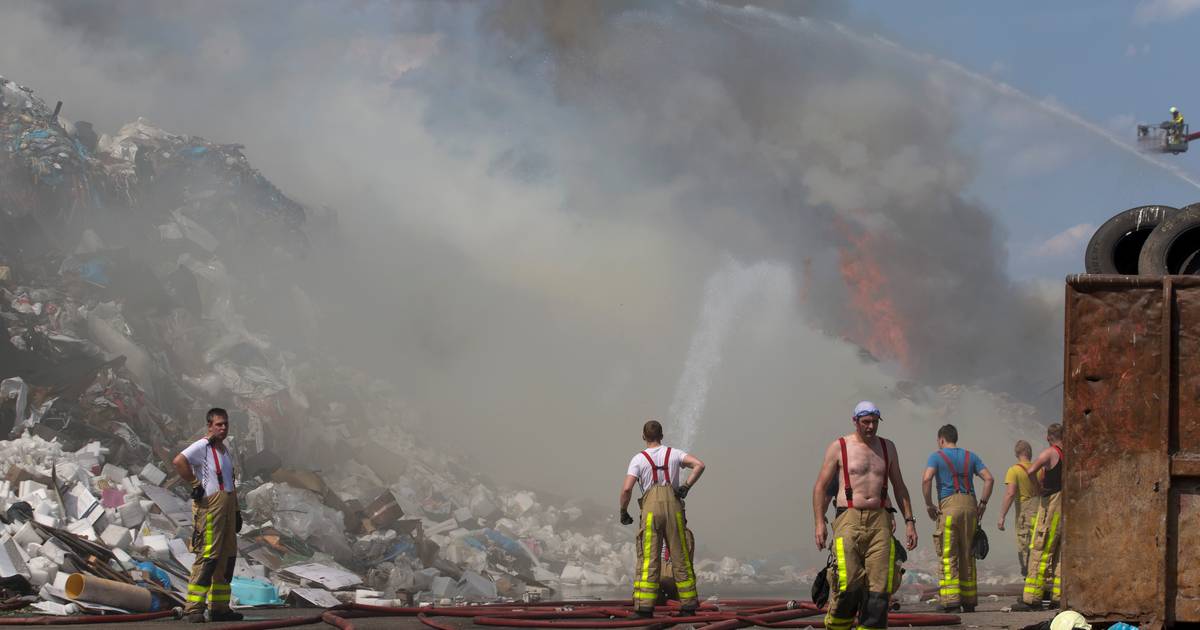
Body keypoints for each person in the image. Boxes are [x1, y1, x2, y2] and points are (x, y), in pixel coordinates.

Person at [813, 402, 918, 630]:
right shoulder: (839, 447)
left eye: (874, 422)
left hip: (880, 520)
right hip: (848, 519)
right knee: (848, 581)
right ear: (855, 421)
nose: (871, 427)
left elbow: (899, 487)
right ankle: (837, 626)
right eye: (865, 422)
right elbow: (820, 487)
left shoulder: (887, 447)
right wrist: (819, 523)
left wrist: (910, 522)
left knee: (880, 587)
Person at [618, 420, 706, 617]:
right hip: (674, 510)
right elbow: (699, 465)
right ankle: (689, 606)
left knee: (649, 558)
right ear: (662, 435)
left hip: (650, 513)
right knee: (680, 556)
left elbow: (626, 489)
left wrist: (623, 511)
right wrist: (685, 486)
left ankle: (644, 609)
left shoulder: (638, 459)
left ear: (643, 436)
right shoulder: (674, 454)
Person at [172, 408, 244, 623]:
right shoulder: (203, 446)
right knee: (208, 557)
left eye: (225, 424)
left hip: (228, 506)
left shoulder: (224, 449)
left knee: (227, 558)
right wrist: (195, 484)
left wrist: (238, 512)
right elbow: (179, 461)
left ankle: (220, 608)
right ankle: (193, 608)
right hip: (211, 507)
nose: (223, 428)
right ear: (210, 426)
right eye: (218, 424)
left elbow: (230, 482)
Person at [921, 424, 994, 613]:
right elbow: (989, 478)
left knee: (948, 554)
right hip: (971, 507)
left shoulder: (936, 456)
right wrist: (983, 503)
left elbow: (927, 478)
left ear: (941, 440)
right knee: (968, 553)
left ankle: (951, 602)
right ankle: (969, 601)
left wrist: (929, 504)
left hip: (949, 507)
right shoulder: (971, 456)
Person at [1014, 423, 1065, 611]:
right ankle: (1058, 597)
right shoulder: (1069, 454)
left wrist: (1037, 488)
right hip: (1065, 506)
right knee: (1059, 553)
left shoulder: (1050, 453)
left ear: (1048, 437)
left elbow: (1030, 471)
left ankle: (1032, 598)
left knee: (1040, 549)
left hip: (1051, 505)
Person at [996, 440, 1041, 577]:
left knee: (1025, 547)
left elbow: (1010, 494)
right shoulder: (1039, 469)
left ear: (1017, 453)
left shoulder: (1014, 470)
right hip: (1040, 511)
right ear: (1030, 453)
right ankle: (1040, 581)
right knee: (1038, 545)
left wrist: (1002, 516)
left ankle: (1030, 584)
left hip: (1025, 514)